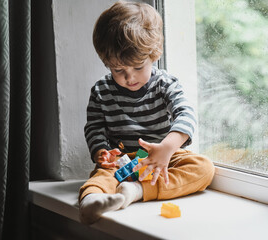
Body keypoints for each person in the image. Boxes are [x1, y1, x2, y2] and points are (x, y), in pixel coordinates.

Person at [79, 0, 215, 225]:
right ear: (107, 63)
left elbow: (186, 115)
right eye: (118, 70)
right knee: (102, 177)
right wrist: (101, 152)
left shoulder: (166, 84)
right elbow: (94, 127)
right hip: (121, 160)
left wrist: (167, 148)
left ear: (155, 54)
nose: (129, 77)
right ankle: (91, 202)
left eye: (138, 67)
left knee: (203, 168)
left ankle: (136, 191)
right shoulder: (101, 91)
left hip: (162, 158)